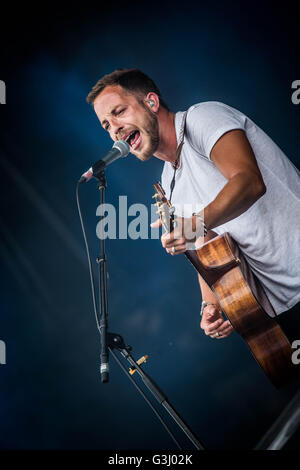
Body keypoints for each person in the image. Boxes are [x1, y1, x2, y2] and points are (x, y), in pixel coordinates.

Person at [86, 68, 300, 344]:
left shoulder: (201, 118)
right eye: (106, 125)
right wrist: (210, 305)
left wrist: (195, 223)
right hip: (281, 309)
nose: (114, 129)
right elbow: (209, 248)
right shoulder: (168, 182)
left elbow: (249, 182)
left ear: (151, 102)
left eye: (119, 112)